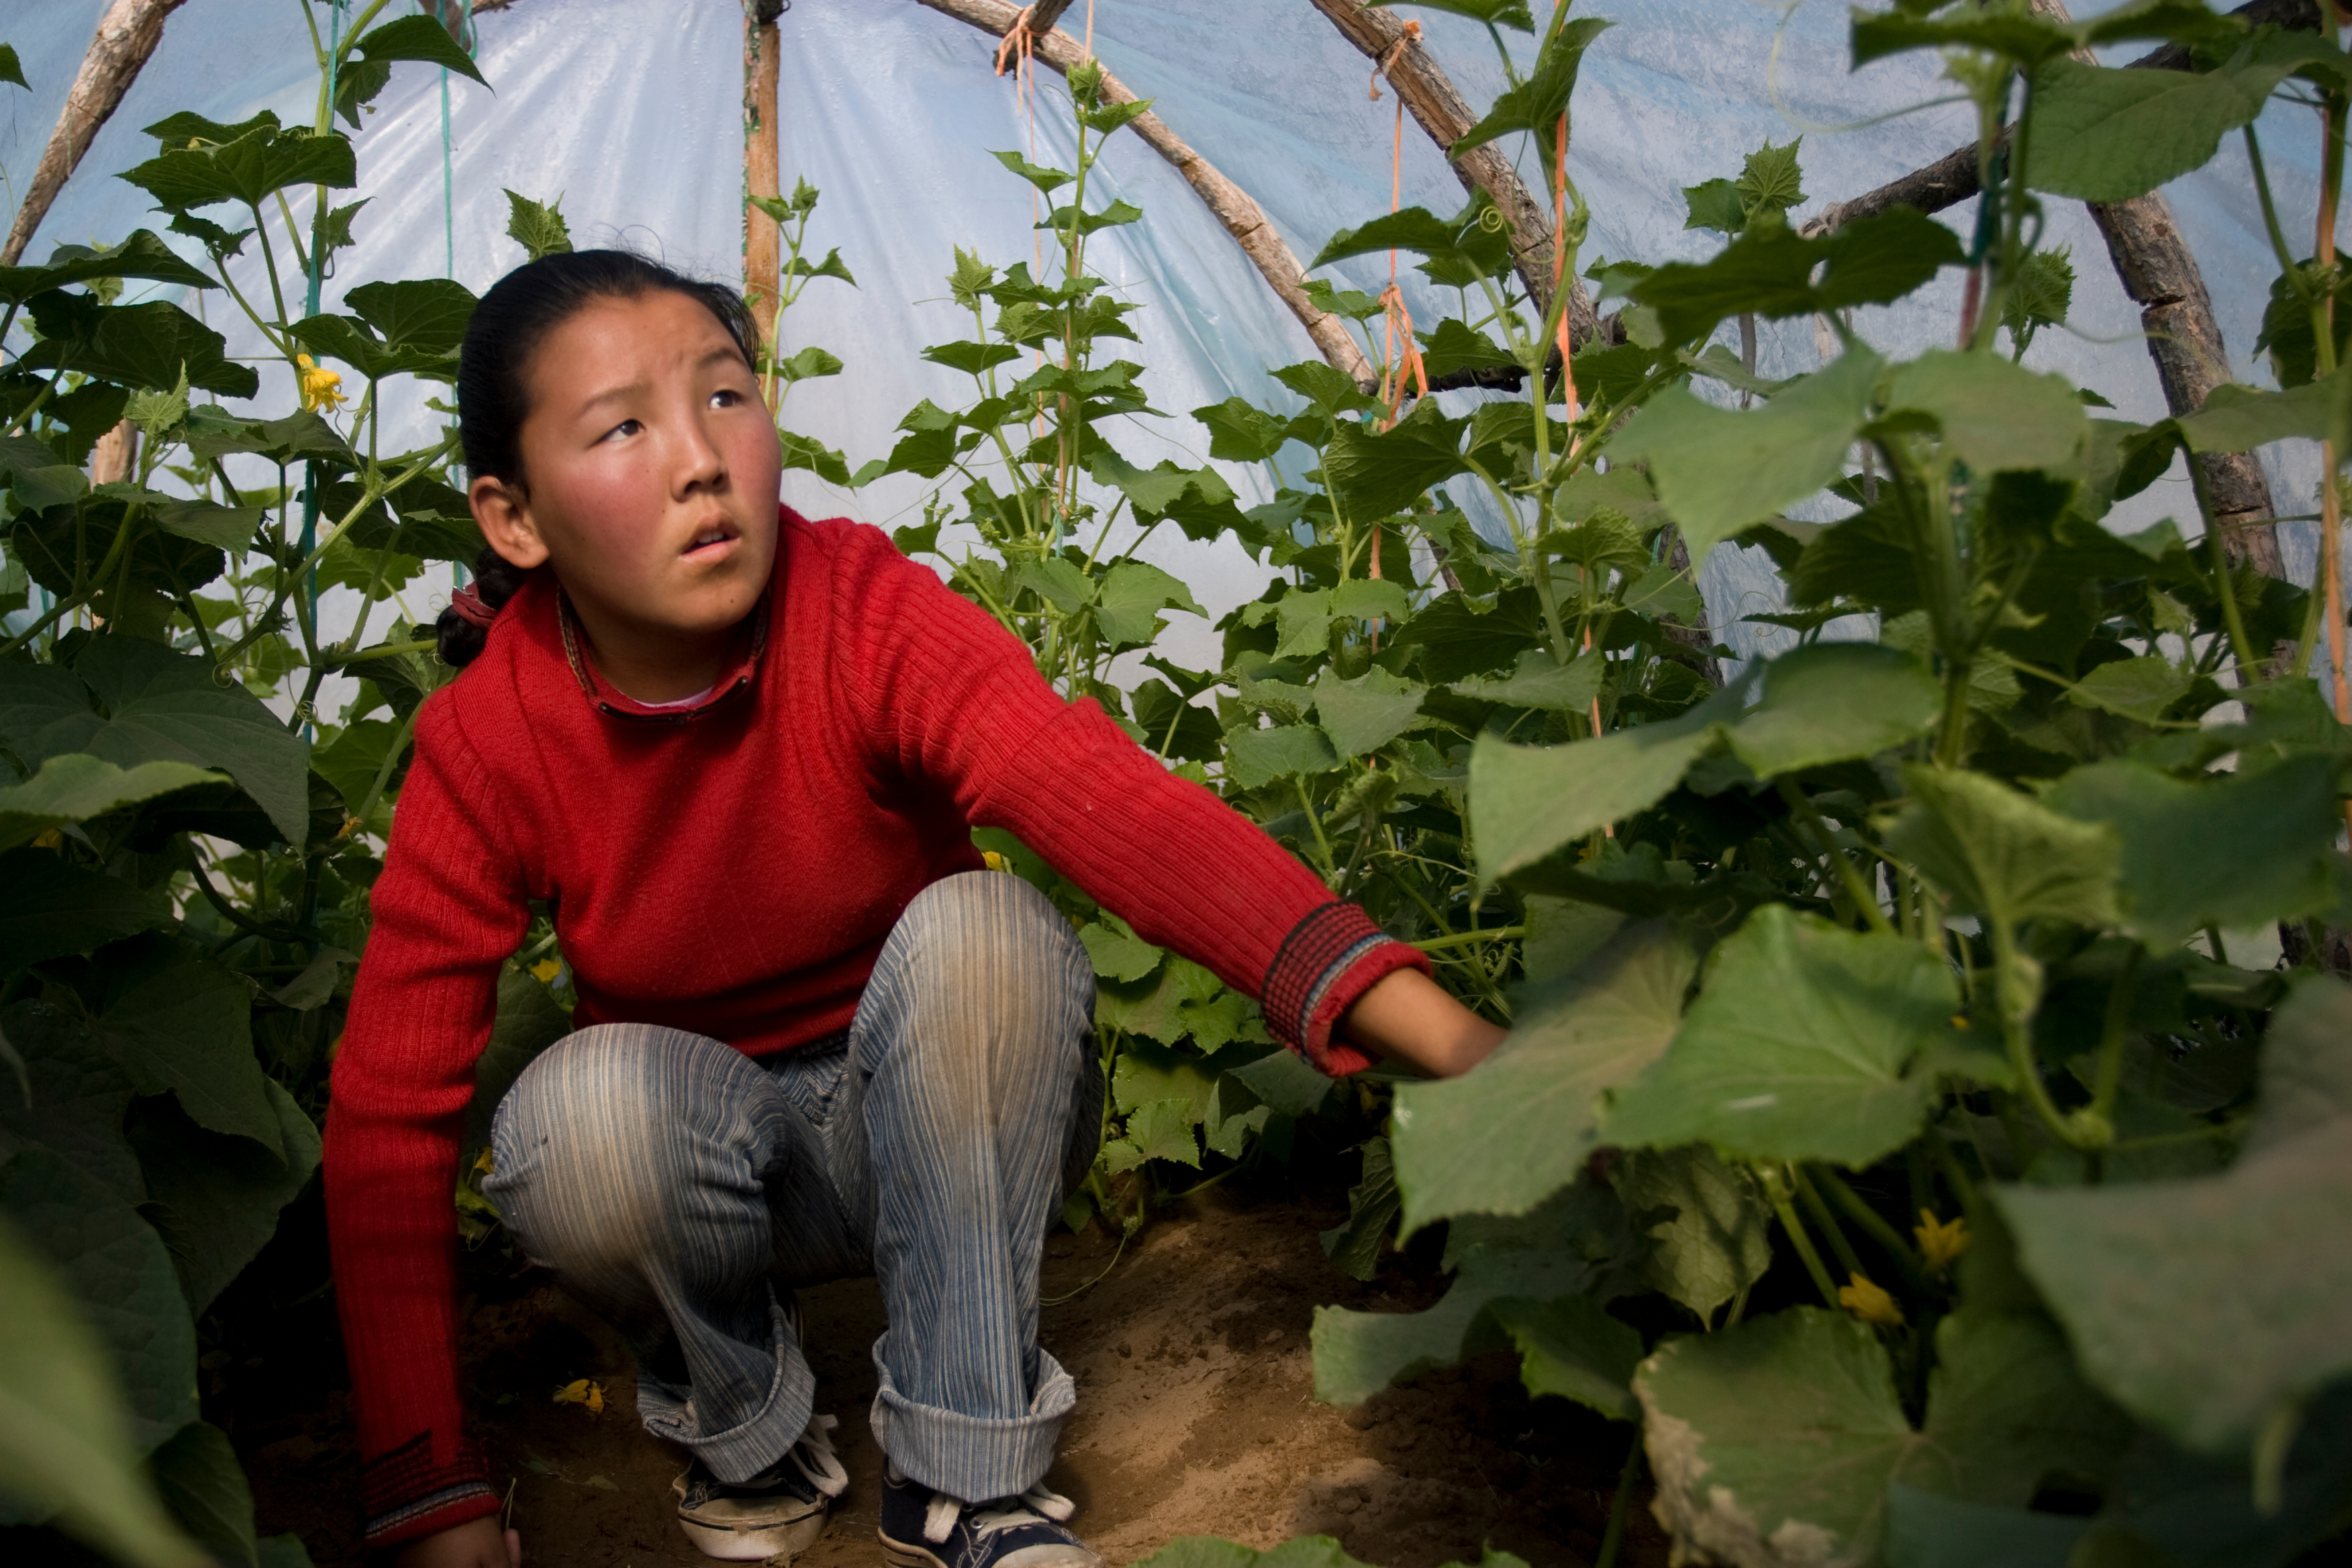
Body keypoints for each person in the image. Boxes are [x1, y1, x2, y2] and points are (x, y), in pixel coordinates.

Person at [324, 249, 1504, 1568]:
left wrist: (1467, 1053)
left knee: (988, 935)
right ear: (515, 518)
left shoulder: (856, 609)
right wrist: (432, 1494)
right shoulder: (491, 738)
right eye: (624, 428)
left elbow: (1116, 807)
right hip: (708, 1162)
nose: (700, 460)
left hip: (939, 1122)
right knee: (572, 1121)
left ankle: (966, 1475)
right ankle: (746, 1433)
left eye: (725, 396)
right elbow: (387, 1115)